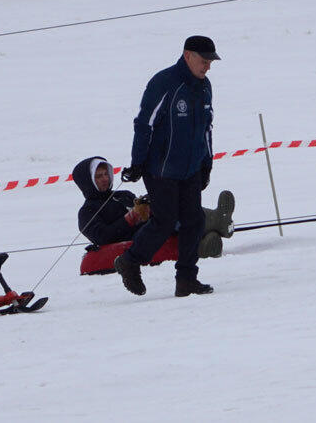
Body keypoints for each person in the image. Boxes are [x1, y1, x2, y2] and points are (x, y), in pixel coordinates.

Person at [115, 36, 220, 297]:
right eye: (204, 61)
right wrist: (137, 162)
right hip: (161, 168)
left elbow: (206, 128)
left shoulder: (205, 87)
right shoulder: (164, 83)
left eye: (210, 62)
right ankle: (130, 260)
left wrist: (207, 162)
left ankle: (186, 279)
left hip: (191, 168)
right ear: (188, 55)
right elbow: (144, 123)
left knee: (194, 221)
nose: (207, 67)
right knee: (164, 221)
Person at [72, 155, 236, 258]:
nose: (105, 179)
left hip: (154, 228)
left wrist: (149, 203)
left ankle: (211, 234)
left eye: (106, 174)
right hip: (136, 240)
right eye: (99, 176)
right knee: (170, 218)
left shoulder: (123, 195)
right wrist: (130, 219)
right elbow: (103, 236)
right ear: (88, 181)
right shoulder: (87, 212)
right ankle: (217, 225)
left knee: (171, 206)